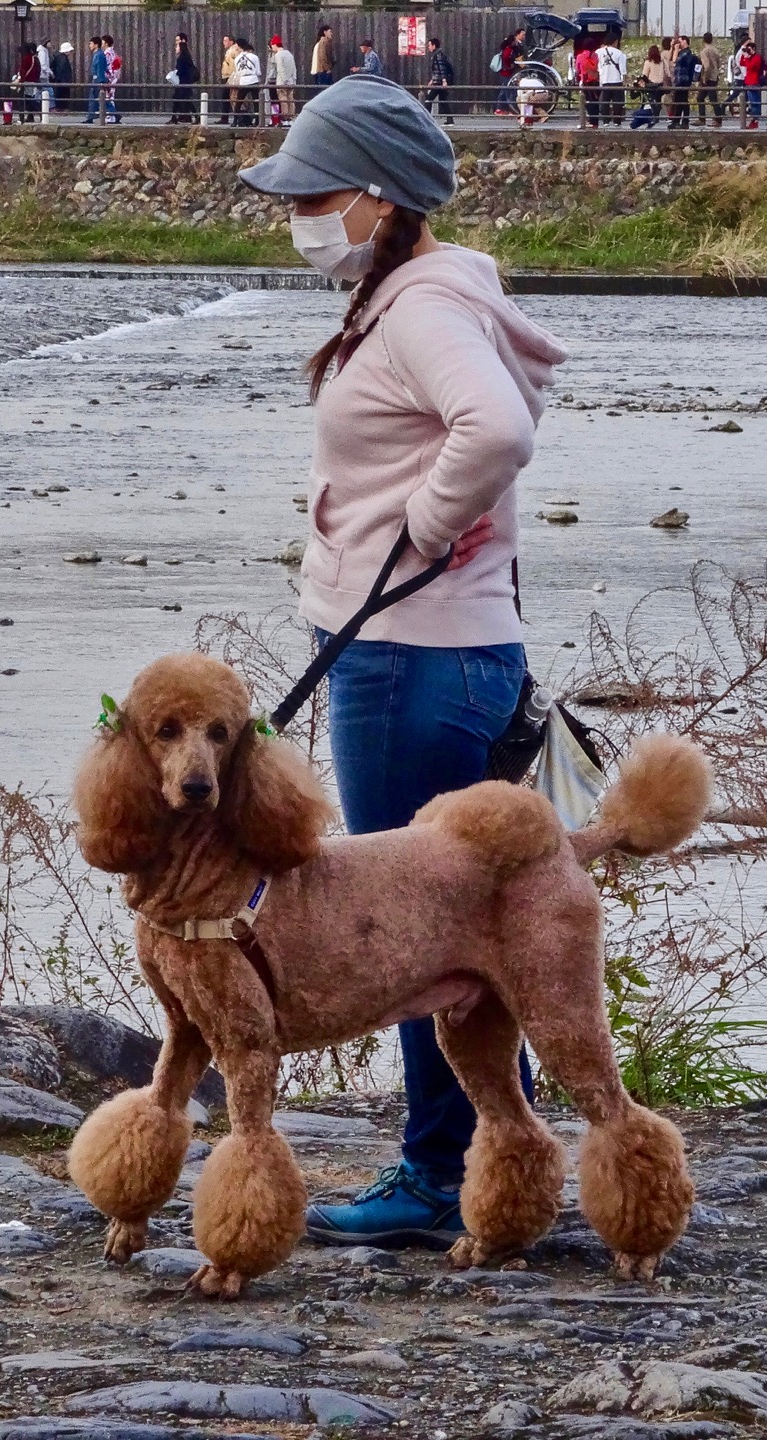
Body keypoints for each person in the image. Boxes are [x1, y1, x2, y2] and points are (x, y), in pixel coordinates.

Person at [236, 73, 568, 1254]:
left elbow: (500, 429)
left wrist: (419, 528)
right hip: (444, 653)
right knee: (477, 930)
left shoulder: (423, 309)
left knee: (415, 935)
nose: (298, 211)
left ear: (379, 200)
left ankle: (439, 1178)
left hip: (412, 661)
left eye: (314, 191)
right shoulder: (427, 290)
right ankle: (486, 1162)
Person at [595, 32, 625, 128]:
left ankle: (605, 121)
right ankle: (617, 121)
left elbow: (597, 67)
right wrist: (624, 80)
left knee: (605, 102)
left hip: (604, 80)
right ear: (615, 42)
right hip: (617, 81)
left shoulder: (598, 52)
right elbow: (623, 70)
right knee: (617, 102)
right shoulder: (619, 53)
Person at [492, 27, 524, 114]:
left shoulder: (509, 49)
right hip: (506, 72)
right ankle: (500, 108)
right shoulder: (508, 50)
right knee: (506, 90)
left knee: (506, 90)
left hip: (507, 72)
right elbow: (506, 60)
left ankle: (503, 108)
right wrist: (511, 65)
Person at [669, 35, 698, 129]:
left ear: (685, 41)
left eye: (680, 41)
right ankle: (677, 120)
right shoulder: (681, 52)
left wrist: (676, 49)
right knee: (678, 100)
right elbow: (671, 59)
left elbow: (675, 60)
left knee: (683, 101)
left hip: (684, 80)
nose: (679, 44)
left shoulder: (687, 53)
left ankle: (684, 121)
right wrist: (672, 47)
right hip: (678, 80)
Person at [422, 35, 453, 123]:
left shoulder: (438, 55)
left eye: (429, 45)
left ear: (434, 45)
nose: (428, 47)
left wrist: (444, 81)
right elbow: (437, 70)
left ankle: (426, 120)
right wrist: (432, 80)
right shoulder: (438, 54)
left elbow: (441, 68)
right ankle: (450, 120)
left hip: (439, 82)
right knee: (443, 100)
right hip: (437, 81)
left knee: (428, 99)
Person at [231, 38, 261, 127]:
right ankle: (257, 120)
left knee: (239, 101)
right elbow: (258, 71)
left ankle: (235, 120)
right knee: (256, 101)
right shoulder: (254, 57)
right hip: (253, 80)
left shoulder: (237, 58)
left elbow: (237, 71)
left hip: (243, 80)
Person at [268, 34, 296, 126]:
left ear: (275, 45)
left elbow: (280, 69)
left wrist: (284, 80)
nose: (272, 48)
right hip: (291, 81)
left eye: (272, 45)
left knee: (283, 100)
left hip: (282, 82)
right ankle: (291, 118)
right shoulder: (289, 54)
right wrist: (293, 79)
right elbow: (294, 68)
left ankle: (285, 119)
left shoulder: (278, 55)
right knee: (290, 100)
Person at [696, 32, 723, 127]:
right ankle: (712, 118)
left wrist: (704, 78)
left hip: (708, 78)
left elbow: (706, 66)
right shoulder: (715, 50)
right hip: (715, 76)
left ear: (703, 40)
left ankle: (713, 119)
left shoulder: (704, 51)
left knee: (706, 98)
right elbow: (719, 63)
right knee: (707, 98)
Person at [169, 33, 197, 124]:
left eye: (177, 46)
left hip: (183, 82)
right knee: (179, 99)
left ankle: (196, 116)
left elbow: (182, 70)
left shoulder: (182, 58)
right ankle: (175, 117)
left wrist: (176, 73)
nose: (175, 48)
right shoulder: (186, 56)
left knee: (184, 100)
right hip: (185, 82)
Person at [635, 42, 665, 126]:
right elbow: (666, 73)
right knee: (658, 101)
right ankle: (656, 117)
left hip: (651, 84)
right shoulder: (661, 62)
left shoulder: (648, 62)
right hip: (660, 84)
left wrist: (641, 82)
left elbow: (645, 74)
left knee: (650, 101)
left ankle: (650, 117)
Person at [736, 38, 763, 127]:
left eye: (749, 49)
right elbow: (741, 63)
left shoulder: (757, 58)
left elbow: (751, 66)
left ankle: (755, 120)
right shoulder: (749, 57)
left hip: (754, 81)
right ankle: (754, 119)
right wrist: (744, 55)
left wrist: (747, 58)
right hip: (748, 81)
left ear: (753, 49)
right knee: (752, 102)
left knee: (755, 102)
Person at [572, 39, 599, 127]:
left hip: (585, 81)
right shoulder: (596, 56)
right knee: (595, 102)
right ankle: (595, 122)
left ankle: (589, 121)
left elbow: (577, 69)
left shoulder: (580, 56)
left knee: (586, 101)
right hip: (596, 81)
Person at [217, 34, 237, 125]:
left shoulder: (233, 51)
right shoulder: (230, 51)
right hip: (227, 76)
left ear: (231, 41)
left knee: (230, 97)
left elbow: (233, 65)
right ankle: (225, 117)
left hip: (230, 77)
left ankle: (226, 117)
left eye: (226, 41)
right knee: (228, 97)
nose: (223, 43)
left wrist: (231, 76)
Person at [53, 40, 75, 113]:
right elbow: (63, 70)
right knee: (63, 94)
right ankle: (61, 108)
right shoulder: (63, 58)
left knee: (60, 94)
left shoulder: (59, 57)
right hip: (63, 80)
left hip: (60, 80)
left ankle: (60, 108)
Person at [310, 25, 335, 89]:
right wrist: (327, 69)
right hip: (322, 71)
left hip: (320, 71)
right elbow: (322, 57)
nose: (331, 33)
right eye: (330, 31)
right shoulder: (323, 42)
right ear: (325, 32)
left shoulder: (320, 42)